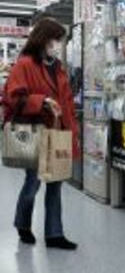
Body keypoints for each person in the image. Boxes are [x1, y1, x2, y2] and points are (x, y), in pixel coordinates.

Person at [3, 17, 79, 250]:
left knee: (55, 184)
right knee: (33, 182)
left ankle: (54, 234)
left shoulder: (59, 68)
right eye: (55, 40)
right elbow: (12, 97)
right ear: (44, 39)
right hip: (34, 132)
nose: (58, 45)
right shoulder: (25, 64)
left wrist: (72, 133)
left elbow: (66, 103)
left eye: (60, 41)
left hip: (57, 132)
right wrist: (42, 100)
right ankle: (22, 224)